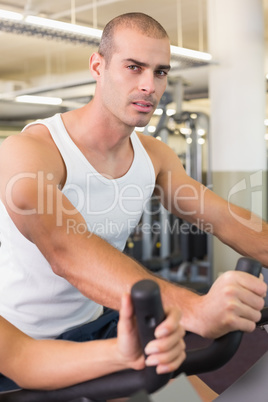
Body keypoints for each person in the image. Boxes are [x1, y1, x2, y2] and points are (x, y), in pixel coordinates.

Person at [0, 12, 266, 399]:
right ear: (98, 65)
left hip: (101, 320)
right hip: (23, 339)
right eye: (134, 67)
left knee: (196, 396)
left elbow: (224, 218)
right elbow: (66, 251)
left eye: (160, 72)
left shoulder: (153, 156)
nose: (148, 85)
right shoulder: (31, 151)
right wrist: (193, 309)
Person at [0, 293, 186, 391]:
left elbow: (23, 356)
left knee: (186, 395)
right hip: (25, 371)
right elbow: (21, 359)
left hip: (93, 331)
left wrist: (120, 353)